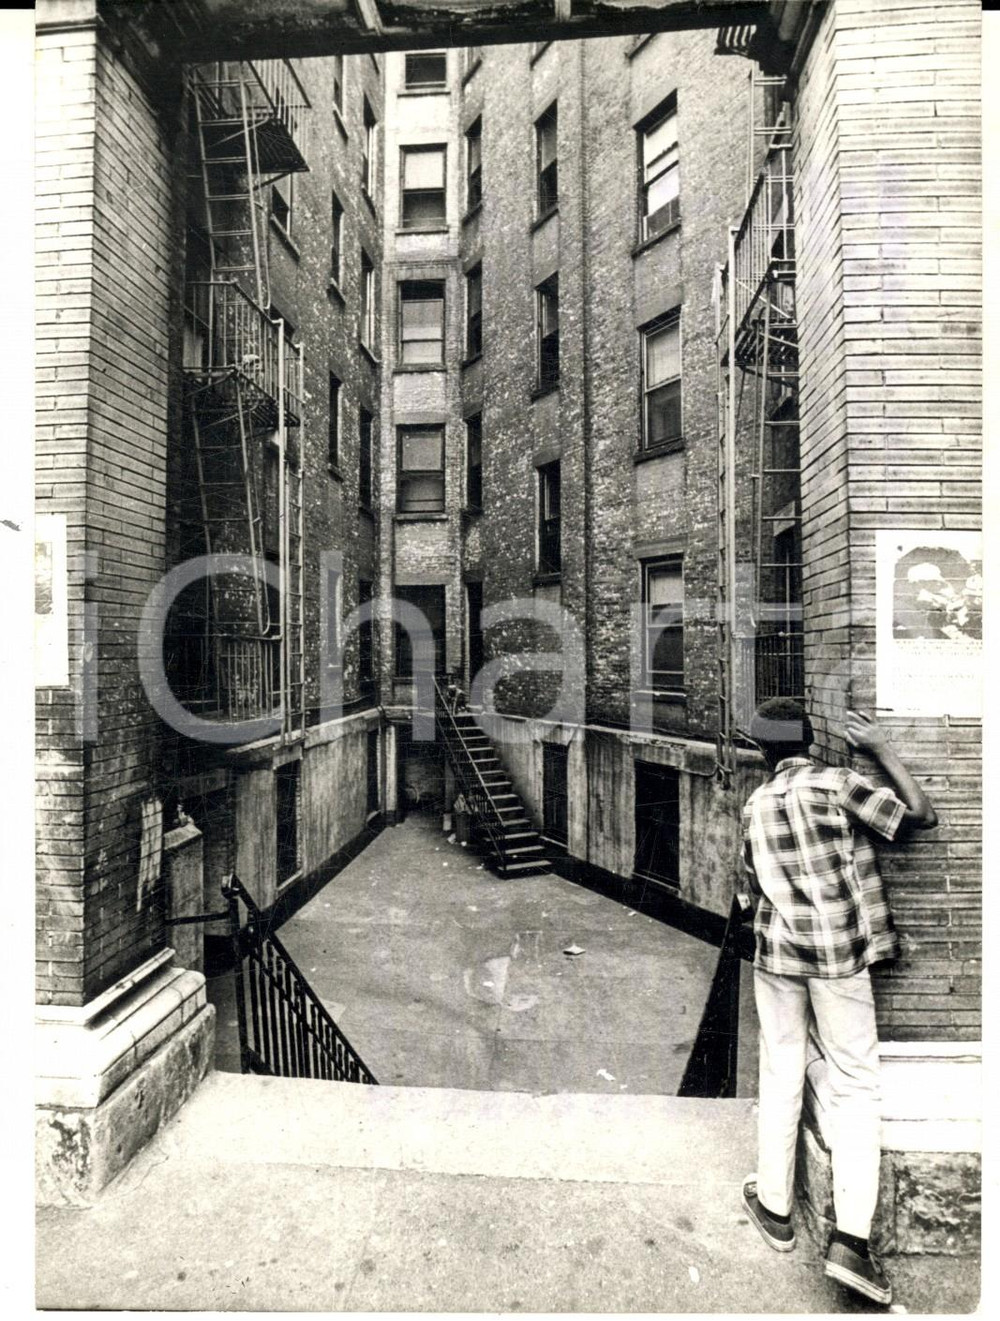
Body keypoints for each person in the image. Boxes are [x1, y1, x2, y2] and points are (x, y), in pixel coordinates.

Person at [738, 698, 936, 1305]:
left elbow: (748, 890)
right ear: (808, 741)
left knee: (780, 1068)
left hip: (775, 956)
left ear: (765, 752)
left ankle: (775, 1209)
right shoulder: (836, 783)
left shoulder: (755, 804)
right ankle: (851, 1240)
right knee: (855, 1081)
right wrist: (879, 747)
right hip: (838, 958)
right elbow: (920, 817)